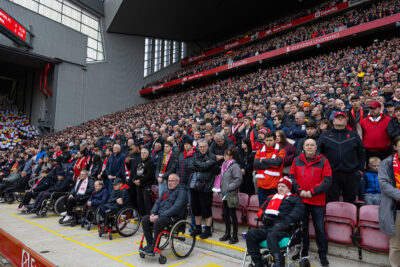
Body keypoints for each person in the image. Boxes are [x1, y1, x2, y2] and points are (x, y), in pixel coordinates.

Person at [289, 139, 332, 267]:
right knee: (303, 229)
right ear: (303, 147)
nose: (309, 147)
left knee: (320, 229)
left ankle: (322, 255)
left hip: (317, 201)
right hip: (301, 200)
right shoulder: (297, 160)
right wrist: (300, 190)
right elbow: (292, 177)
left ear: (316, 147)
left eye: (312, 145)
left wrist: (312, 192)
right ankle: (304, 252)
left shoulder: (324, 161)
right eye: (307, 145)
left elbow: (327, 180)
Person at [246, 177, 304, 267]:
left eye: (283, 186)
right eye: (279, 186)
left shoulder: (295, 200)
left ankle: (278, 263)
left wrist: (284, 223)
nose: (280, 188)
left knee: (271, 235)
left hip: (283, 229)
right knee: (250, 234)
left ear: (289, 188)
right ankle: (258, 263)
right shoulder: (271, 198)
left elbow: (297, 214)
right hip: (267, 227)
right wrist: (263, 217)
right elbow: (261, 210)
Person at [318, 112, 365, 203]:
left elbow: (362, 151)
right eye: (338, 117)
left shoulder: (353, 135)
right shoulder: (325, 135)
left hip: (351, 173)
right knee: (331, 200)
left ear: (346, 121)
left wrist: (360, 169)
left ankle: (349, 216)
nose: (340, 119)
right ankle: (332, 217)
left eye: (342, 118)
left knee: (350, 200)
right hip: (331, 173)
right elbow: (318, 152)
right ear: (333, 121)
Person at [140, 173, 187, 256]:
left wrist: (159, 216)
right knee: (145, 219)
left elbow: (175, 209)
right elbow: (157, 203)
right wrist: (153, 214)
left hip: (174, 217)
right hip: (162, 215)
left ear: (178, 182)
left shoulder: (182, 192)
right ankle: (150, 244)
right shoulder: (166, 190)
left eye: (172, 181)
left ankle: (155, 246)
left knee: (158, 222)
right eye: (169, 180)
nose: (170, 183)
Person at [379, 136, 400, 267]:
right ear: (395, 147)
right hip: (396, 209)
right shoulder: (387, 163)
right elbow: (384, 184)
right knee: (396, 245)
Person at [188, 139, 216, 239]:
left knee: (206, 208)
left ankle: (208, 230)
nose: (202, 148)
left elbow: (208, 166)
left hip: (206, 187)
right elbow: (190, 166)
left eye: (204, 146)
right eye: (200, 147)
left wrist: (198, 164)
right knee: (196, 208)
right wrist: (201, 165)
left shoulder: (212, 155)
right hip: (194, 185)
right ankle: (198, 228)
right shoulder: (195, 155)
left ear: (207, 147)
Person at [217, 147, 242, 244]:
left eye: (226, 155)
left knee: (233, 214)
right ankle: (227, 233)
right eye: (224, 155)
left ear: (231, 156)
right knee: (226, 214)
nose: (224, 156)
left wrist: (228, 187)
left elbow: (238, 179)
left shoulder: (235, 166)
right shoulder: (224, 165)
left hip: (231, 193)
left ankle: (235, 236)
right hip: (224, 193)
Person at [254, 132, 285, 205]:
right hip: (261, 185)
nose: (268, 142)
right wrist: (271, 164)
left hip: (274, 186)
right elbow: (256, 164)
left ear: (275, 140)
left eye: (270, 140)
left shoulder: (281, 150)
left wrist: (264, 160)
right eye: (267, 140)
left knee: (273, 208)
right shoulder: (260, 150)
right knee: (262, 208)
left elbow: (277, 163)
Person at [131, 148, 155, 216]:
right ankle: (141, 216)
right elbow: (134, 172)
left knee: (146, 202)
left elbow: (149, 174)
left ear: (148, 154)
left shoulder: (150, 162)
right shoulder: (138, 162)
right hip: (138, 185)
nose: (143, 154)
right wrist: (135, 180)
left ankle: (147, 217)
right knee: (139, 201)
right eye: (142, 153)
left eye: (145, 152)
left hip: (146, 185)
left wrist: (140, 180)